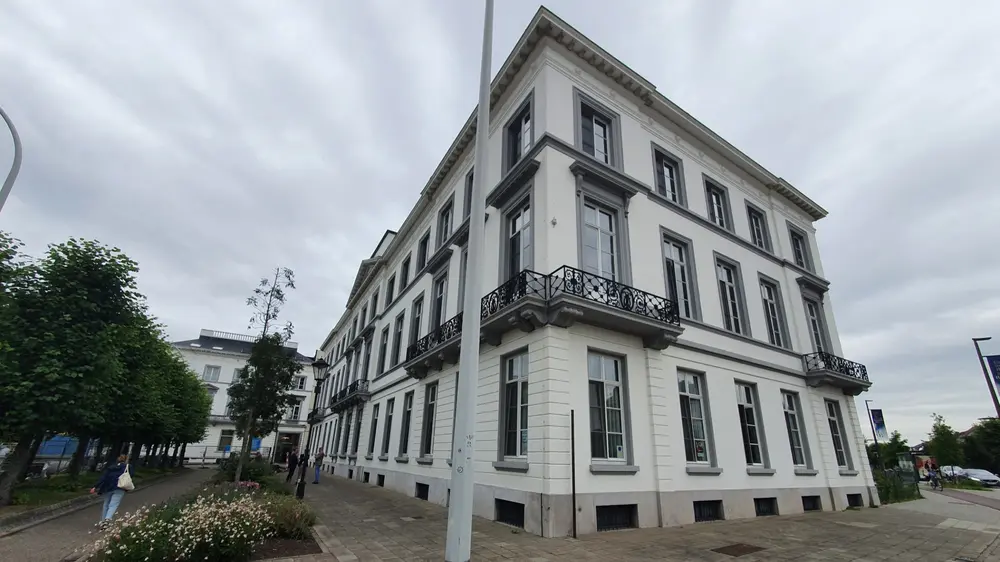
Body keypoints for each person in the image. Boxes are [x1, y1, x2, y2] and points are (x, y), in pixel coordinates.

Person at [90, 454, 133, 528]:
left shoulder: (111, 467)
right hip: (120, 487)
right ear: (126, 460)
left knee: (106, 504)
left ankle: (102, 521)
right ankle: (107, 520)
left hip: (108, 487)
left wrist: (95, 486)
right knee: (113, 504)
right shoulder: (128, 467)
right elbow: (131, 475)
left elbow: (103, 477)